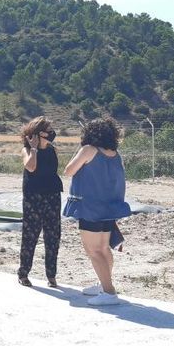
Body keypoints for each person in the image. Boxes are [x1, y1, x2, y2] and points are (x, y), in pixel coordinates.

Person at [62, 118, 132, 307]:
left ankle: (109, 292)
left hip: (90, 207)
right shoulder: (115, 154)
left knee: (93, 250)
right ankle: (104, 284)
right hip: (109, 207)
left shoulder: (88, 150)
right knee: (104, 249)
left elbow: (68, 171)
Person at [18, 116, 63, 288]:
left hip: (52, 195)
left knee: (53, 236)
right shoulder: (26, 150)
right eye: (47, 130)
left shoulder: (52, 149)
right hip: (33, 197)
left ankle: (51, 275)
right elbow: (30, 167)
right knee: (30, 236)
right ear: (37, 134)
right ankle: (23, 273)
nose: (51, 133)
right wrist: (34, 149)